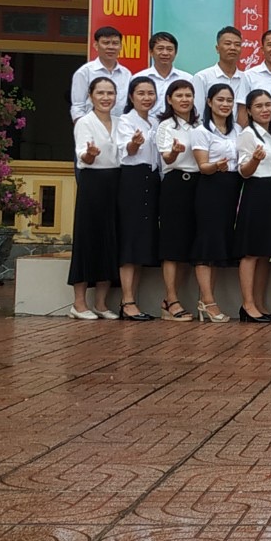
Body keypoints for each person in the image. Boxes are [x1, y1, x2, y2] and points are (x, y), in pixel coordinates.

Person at [67, 77, 121, 318]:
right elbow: (84, 157)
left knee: (110, 239)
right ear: (90, 96)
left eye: (110, 93)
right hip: (92, 183)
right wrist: (90, 154)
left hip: (116, 182)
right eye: (100, 93)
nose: (106, 98)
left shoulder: (120, 122)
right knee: (87, 239)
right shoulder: (84, 122)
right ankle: (79, 304)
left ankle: (101, 304)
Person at [189, 82, 242, 323]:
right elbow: (203, 166)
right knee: (207, 243)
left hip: (232, 188)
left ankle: (206, 299)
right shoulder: (201, 130)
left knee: (219, 243)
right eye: (220, 100)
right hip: (211, 187)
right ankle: (208, 301)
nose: (225, 104)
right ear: (209, 102)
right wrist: (216, 166)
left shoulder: (237, 130)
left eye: (229, 100)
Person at [155, 79, 202, 322]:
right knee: (172, 246)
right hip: (176, 184)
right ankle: (171, 300)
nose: (185, 99)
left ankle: (172, 299)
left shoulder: (200, 125)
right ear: (169, 100)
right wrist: (174, 151)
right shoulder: (166, 126)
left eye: (188, 95)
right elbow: (167, 158)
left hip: (199, 185)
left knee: (188, 247)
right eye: (179, 95)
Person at [234, 89, 271, 323]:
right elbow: (243, 171)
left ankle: (260, 304)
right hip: (257, 192)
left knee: (265, 253)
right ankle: (247, 304)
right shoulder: (248, 134)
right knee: (251, 252)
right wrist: (255, 159)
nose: (265, 110)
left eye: (268, 105)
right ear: (249, 111)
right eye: (259, 106)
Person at [114, 76, 160, 321]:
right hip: (132, 179)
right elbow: (127, 151)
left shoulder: (155, 121)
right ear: (131, 96)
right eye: (141, 93)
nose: (146, 98)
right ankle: (127, 300)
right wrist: (134, 143)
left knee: (142, 242)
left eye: (150, 93)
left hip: (152, 180)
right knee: (130, 239)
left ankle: (133, 300)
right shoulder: (125, 121)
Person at [70, 25, 131, 121]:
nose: (111, 47)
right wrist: (82, 127)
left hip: (119, 126)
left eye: (115, 43)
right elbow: (78, 106)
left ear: (120, 46)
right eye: (106, 43)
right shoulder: (85, 72)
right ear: (96, 45)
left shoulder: (126, 74)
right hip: (92, 125)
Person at [192, 26, 248, 125]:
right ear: (217, 49)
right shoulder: (202, 77)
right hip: (208, 131)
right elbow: (197, 114)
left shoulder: (246, 78)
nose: (233, 48)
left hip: (238, 132)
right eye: (227, 44)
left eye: (237, 44)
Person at [135, 31, 192, 109]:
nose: (165, 53)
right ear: (151, 52)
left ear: (175, 53)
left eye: (169, 49)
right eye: (160, 49)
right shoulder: (139, 78)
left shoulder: (187, 79)